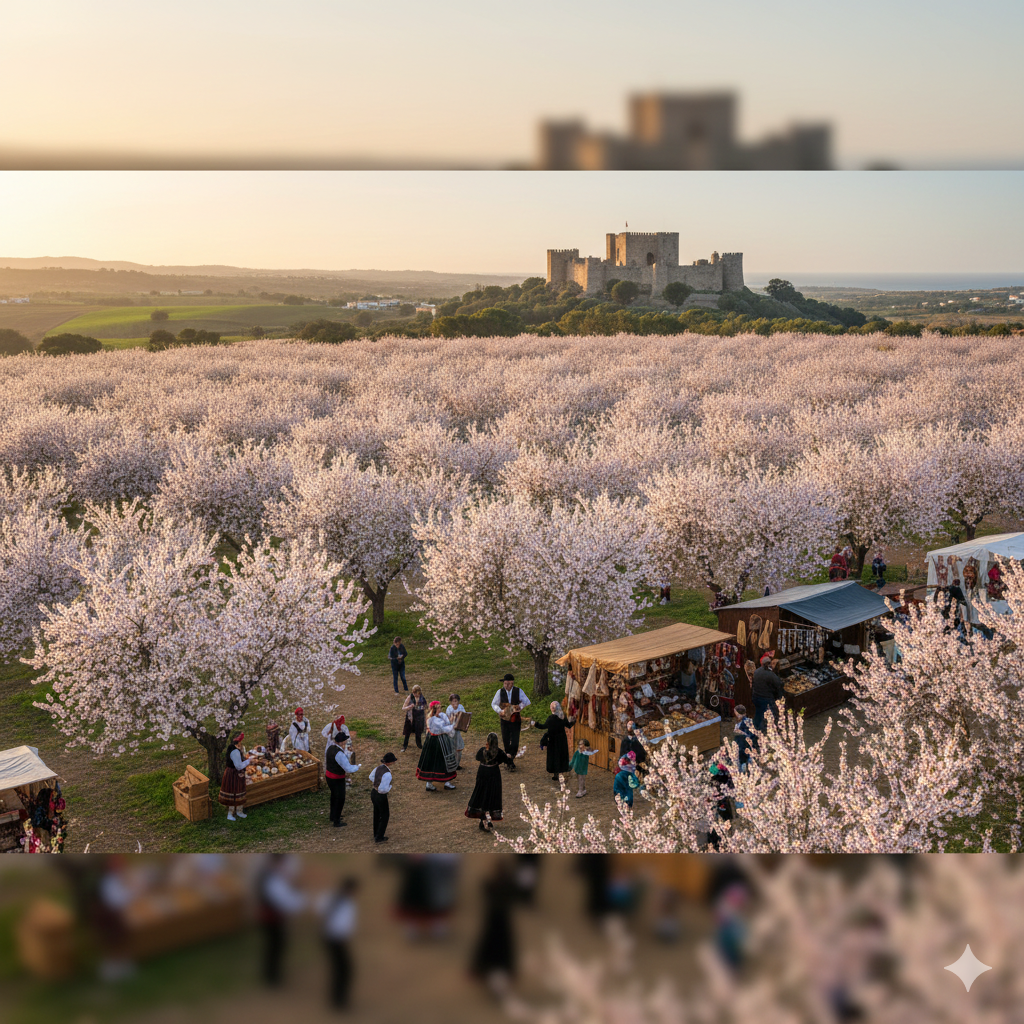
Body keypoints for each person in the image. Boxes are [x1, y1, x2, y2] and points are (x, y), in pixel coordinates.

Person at [470, 861, 519, 998]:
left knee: (491, 948)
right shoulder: (506, 885)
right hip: (500, 920)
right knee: (500, 949)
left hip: (494, 919)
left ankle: (488, 975)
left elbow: (486, 890)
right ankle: (494, 978)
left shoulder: (491, 884)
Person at [257, 855, 306, 988]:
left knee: (275, 946)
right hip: (272, 919)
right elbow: (283, 900)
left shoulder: (271, 875)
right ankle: (272, 976)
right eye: (281, 863)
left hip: (272, 917)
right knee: (276, 946)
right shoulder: (271, 879)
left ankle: (272, 973)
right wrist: (299, 903)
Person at [319, 877, 359, 1010]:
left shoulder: (332, 897)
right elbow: (344, 923)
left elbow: (320, 909)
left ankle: (338, 998)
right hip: (336, 939)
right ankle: (339, 1000)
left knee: (341, 969)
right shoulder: (345, 902)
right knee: (344, 970)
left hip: (330, 937)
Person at [465, 732, 509, 831]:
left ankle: (483, 820)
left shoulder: (482, 751)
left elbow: (477, 758)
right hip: (494, 775)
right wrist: (508, 757)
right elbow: (506, 760)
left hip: (482, 774)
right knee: (491, 797)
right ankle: (486, 820)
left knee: (482, 795)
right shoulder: (499, 752)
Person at [490, 673, 531, 772]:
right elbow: (494, 704)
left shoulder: (518, 691)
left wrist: (519, 707)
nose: (506, 685)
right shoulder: (500, 692)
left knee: (515, 739)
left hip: (515, 719)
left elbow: (526, 701)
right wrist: (500, 711)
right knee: (506, 738)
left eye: (509, 684)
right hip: (504, 719)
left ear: (512, 683)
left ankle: (511, 758)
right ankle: (509, 760)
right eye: (505, 683)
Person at [417, 701, 458, 792]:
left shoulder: (441, 716)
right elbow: (444, 728)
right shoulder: (433, 720)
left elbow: (446, 724)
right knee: (438, 761)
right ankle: (434, 783)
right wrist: (453, 725)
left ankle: (444, 782)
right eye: (439, 707)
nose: (440, 709)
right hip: (437, 742)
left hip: (438, 740)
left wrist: (451, 721)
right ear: (435, 709)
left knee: (438, 761)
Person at [530, 700, 575, 782]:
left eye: (552, 707)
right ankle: (560, 772)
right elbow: (568, 725)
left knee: (554, 756)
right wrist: (574, 720)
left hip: (553, 739)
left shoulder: (551, 718)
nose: (551, 708)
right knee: (561, 755)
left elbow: (543, 726)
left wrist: (535, 724)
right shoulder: (562, 717)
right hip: (561, 739)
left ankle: (556, 774)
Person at [325, 728, 361, 827]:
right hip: (337, 778)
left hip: (329, 776)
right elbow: (348, 768)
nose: (345, 742)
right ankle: (336, 821)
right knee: (340, 798)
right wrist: (357, 767)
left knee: (333, 796)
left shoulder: (330, 748)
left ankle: (333, 816)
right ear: (341, 742)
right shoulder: (339, 753)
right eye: (344, 740)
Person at [218, 732, 250, 821]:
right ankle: (230, 813)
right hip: (233, 774)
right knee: (233, 792)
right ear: (238, 741)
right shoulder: (234, 751)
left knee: (240, 791)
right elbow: (238, 766)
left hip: (237, 774)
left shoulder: (236, 749)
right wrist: (249, 761)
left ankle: (239, 811)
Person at [751, 652, 784, 735]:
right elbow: (778, 683)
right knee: (769, 714)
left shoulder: (756, 671)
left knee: (758, 713)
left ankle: (755, 728)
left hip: (755, 697)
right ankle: (763, 732)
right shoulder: (770, 674)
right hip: (765, 698)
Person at [369, 753, 397, 843]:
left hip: (373, 792)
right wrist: (389, 787)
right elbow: (383, 789)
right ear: (390, 762)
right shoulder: (387, 774)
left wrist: (377, 782)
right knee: (385, 815)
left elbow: (371, 777)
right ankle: (379, 837)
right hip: (380, 796)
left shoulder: (378, 768)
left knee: (377, 813)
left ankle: (376, 833)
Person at [445, 692, 467, 770]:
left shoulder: (460, 707)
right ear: (451, 702)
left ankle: (457, 764)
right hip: (451, 730)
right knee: (452, 747)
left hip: (458, 730)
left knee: (458, 747)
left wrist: (460, 714)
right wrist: (454, 716)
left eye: (456, 701)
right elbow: (448, 720)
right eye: (453, 701)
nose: (455, 703)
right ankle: (452, 763)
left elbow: (464, 716)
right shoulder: (449, 709)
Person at [401, 685, 427, 751]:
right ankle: (404, 746)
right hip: (411, 718)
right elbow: (403, 708)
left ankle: (419, 745)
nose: (415, 695)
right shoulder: (410, 697)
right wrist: (409, 707)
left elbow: (425, 707)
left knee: (418, 732)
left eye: (416, 693)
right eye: (414, 693)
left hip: (419, 717)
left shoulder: (422, 698)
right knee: (407, 732)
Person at [733, 704, 753, 772]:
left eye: (737, 714)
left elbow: (745, 733)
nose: (736, 716)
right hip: (750, 743)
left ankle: (743, 765)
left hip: (744, 742)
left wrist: (740, 732)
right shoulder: (749, 720)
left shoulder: (743, 722)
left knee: (742, 751)